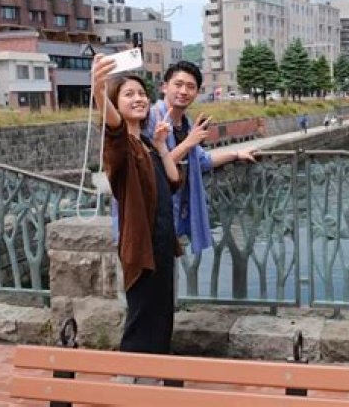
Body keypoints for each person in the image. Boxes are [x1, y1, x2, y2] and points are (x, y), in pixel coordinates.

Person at [90, 54, 181, 357]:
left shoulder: (145, 143)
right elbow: (114, 129)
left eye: (142, 93)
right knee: (142, 317)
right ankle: (132, 374)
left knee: (162, 314)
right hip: (141, 247)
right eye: (128, 94)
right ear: (115, 104)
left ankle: (157, 371)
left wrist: (161, 146)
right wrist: (99, 90)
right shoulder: (120, 147)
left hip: (161, 243)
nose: (139, 98)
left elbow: (173, 179)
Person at [146, 60, 257, 256]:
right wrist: (189, 142)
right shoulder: (152, 119)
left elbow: (202, 160)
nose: (184, 91)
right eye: (178, 84)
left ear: (197, 92)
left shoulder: (186, 123)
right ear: (164, 87)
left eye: (190, 87)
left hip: (175, 211)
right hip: (154, 213)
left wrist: (236, 154)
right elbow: (151, 167)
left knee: (168, 269)